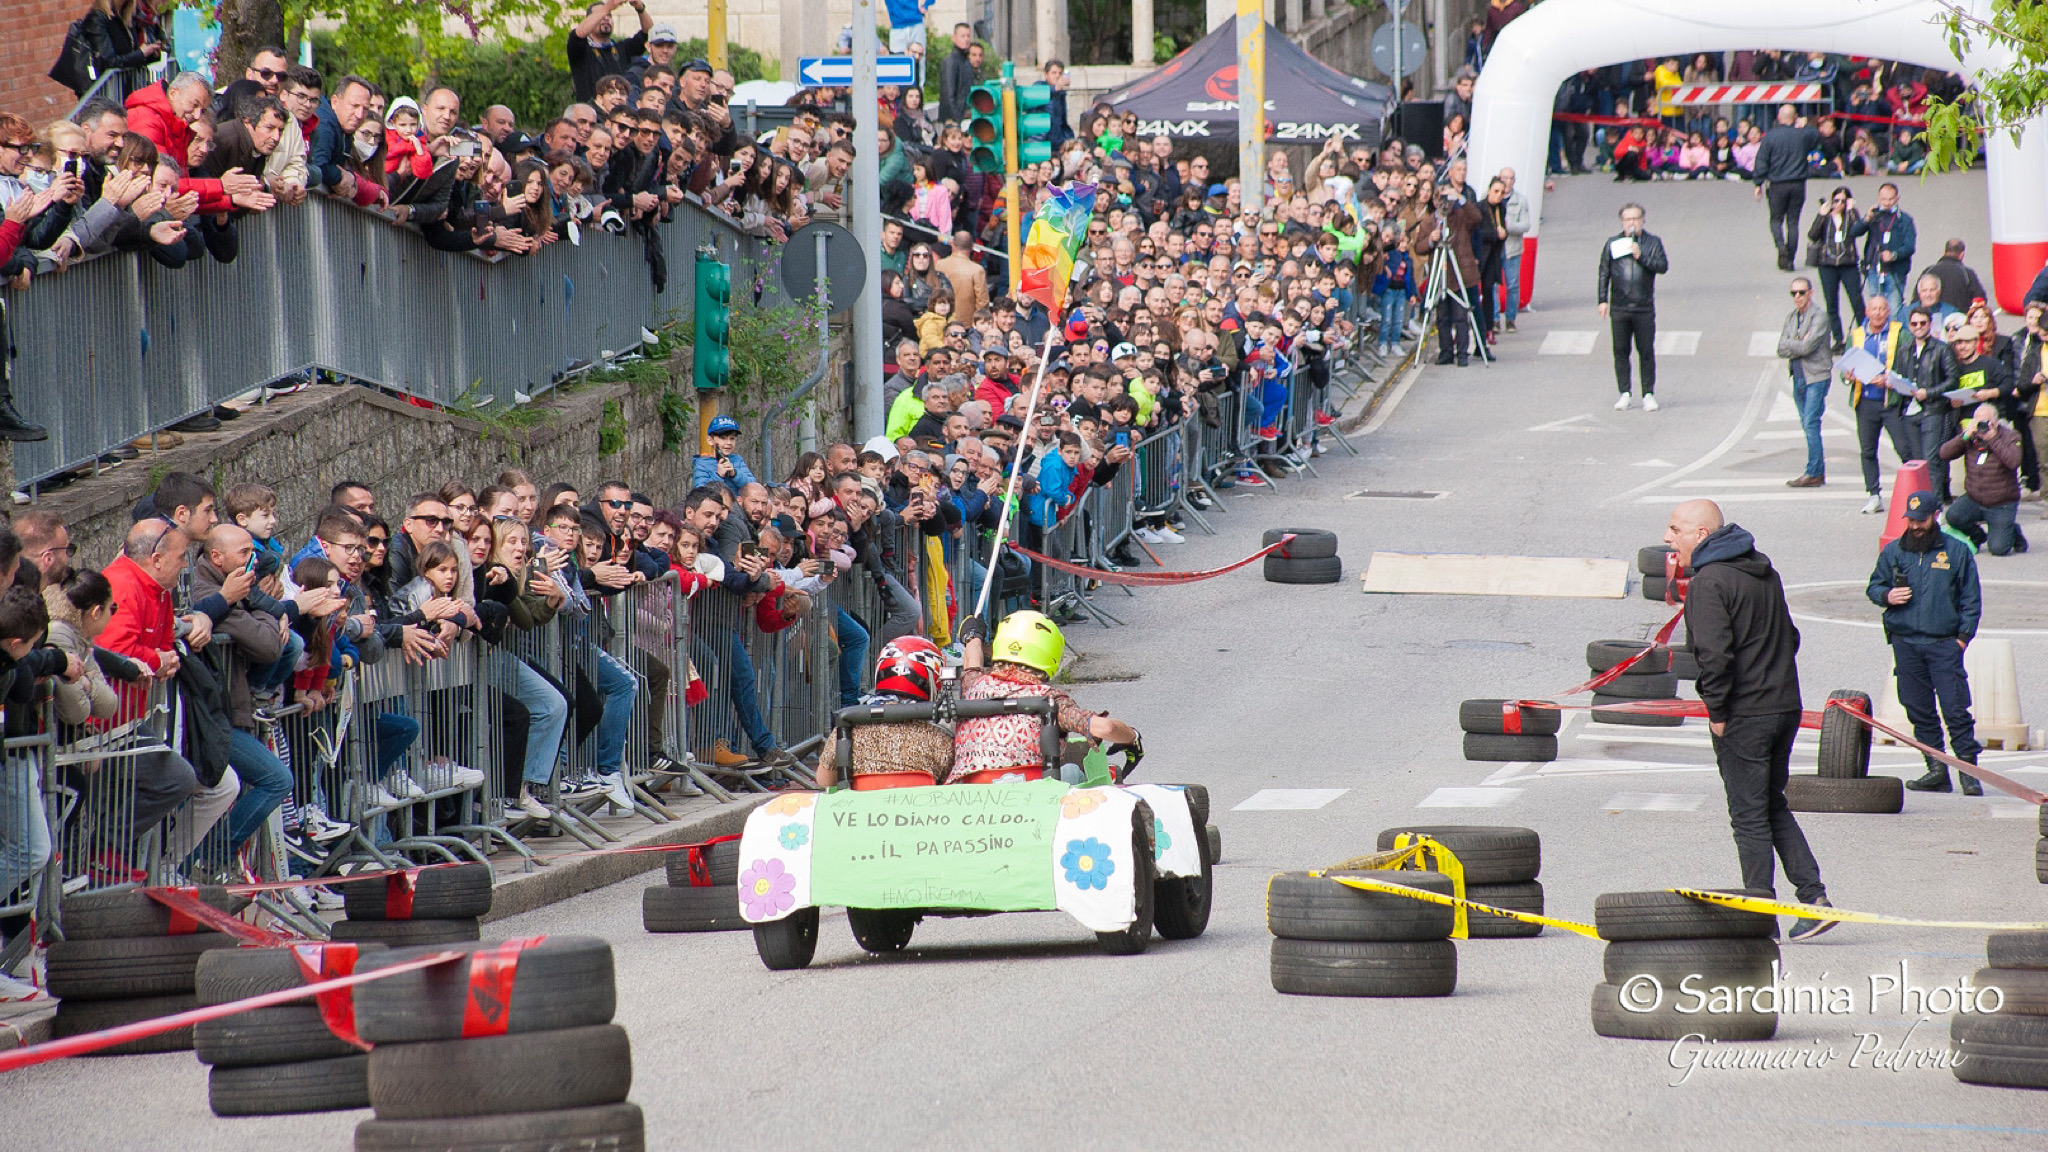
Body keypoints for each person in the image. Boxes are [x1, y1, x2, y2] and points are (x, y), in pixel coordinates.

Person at [1663, 499, 1833, 940]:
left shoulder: (1708, 582)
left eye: (1675, 528)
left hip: (1745, 715)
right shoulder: (1764, 571)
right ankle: (1814, 899)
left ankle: (1759, 916)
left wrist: (1717, 711)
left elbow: (1714, 656)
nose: (1668, 537)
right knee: (1771, 803)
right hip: (1785, 707)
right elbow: (1790, 637)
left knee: (1748, 814)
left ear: (1702, 534)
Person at [1867, 490, 1983, 795]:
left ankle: (1969, 772)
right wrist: (1885, 595)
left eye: (1921, 520)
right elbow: (1874, 584)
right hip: (1905, 642)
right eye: (1911, 520)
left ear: (1935, 517)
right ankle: (1935, 770)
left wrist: (1962, 638)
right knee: (1918, 709)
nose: (1916, 526)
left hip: (1944, 643)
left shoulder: (1957, 552)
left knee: (1955, 709)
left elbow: (1971, 599)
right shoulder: (1893, 551)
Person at [950, 612, 1141, 785]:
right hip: (1031, 796)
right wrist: (1132, 737)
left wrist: (973, 636)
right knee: (1074, 772)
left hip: (972, 795)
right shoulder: (1051, 700)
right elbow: (1105, 728)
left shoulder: (973, 686)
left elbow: (971, 664)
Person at [815, 637, 953, 788]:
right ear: (932, 679)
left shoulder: (847, 730)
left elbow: (824, 781)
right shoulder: (940, 739)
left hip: (861, 811)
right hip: (916, 810)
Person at [1839, 294, 1911, 513]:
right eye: (1874, 309)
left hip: (1891, 402)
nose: (1878, 313)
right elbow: (1845, 368)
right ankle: (1874, 494)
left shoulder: (1900, 334)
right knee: (1868, 450)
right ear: (1867, 312)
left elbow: (1908, 364)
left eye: (1882, 309)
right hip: (1866, 401)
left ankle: (1915, 491)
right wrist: (1848, 377)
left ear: (1888, 312)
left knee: (1904, 448)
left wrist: (1889, 379)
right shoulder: (1857, 336)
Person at [1597, 203, 1669, 411]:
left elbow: (1662, 266)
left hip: (1643, 307)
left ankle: (1648, 393)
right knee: (1620, 350)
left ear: (1642, 221)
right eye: (1628, 220)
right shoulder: (1613, 243)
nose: (1632, 223)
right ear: (1622, 222)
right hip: (1620, 307)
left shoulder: (1652, 242)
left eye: (1635, 219)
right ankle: (1625, 392)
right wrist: (1602, 299)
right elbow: (1604, 271)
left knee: (1645, 350)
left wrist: (1642, 256)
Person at [1941, 404, 2027, 556]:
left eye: (1985, 422)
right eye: (1978, 422)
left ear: (1995, 422)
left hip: (2001, 503)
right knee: (1953, 516)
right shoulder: (1971, 436)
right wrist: (1965, 436)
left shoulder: (2011, 436)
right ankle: (1977, 535)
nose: (1981, 427)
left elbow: (2014, 461)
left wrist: (1992, 439)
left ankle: (2013, 530)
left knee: (1998, 549)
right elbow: (1944, 454)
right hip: (1974, 498)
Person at [1750, 105, 1820, 271]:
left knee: (1776, 219)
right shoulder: (1802, 135)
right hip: (1797, 183)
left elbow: (1761, 160)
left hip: (1777, 184)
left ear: (1779, 118)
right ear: (1794, 117)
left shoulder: (1770, 137)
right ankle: (1790, 259)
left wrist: (1758, 182)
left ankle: (1780, 246)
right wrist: (1806, 125)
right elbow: (1816, 136)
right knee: (1793, 222)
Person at [1778, 278, 1832, 486]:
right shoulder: (1791, 317)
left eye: (1801, 292)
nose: (1797, 297)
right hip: (1798, 375)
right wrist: (1797, 343)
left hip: (1816, 376)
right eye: (1794, 293)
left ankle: (1814, 472)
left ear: (1810, 293)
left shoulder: (1819, 317)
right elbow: (1780, 347)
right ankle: (1816, 469)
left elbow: (1807, 347)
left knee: (1811, 422)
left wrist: (1794, 344)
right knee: (1806, 423)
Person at [1804, 185, 1865, 351]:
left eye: (1843, 201)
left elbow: (1858, 230)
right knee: (1831, 304)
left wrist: (1852, 211)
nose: (1839, 204)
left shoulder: (1849, 216)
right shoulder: (1826, 217)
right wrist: (1820, 215)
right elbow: (1812, 235)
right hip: (1827, 265)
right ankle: (1838, 339)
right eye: (1836, 200)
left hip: (1848, 264)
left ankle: (1865, 335)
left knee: (1857, 301)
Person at [567, 0, 654, 104]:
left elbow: (649, 32)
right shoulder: (580, 50)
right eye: (600, 15)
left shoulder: (623, 48)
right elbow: (578, 34)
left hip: (620, 112)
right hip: (592, 114)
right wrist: (608, 7)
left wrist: (640, 8)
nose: (605, 18)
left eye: (609, 15)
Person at [1862, 182, 1917, 319]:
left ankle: (1893, 338)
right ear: (1878, 198)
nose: (1887, 203)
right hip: (1874, 269)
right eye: (1883, 199)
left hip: (1895, 271)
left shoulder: (1905, 220)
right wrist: (1866, 219)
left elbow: (1910, 246)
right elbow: (1855, 231)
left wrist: (1894, 255)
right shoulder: (1873, 216)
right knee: (1876, 309)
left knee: (1894, 310)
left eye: (1890, 199)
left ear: (1897, 198)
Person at [692, 415, 758, 494]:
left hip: (736, 505)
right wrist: (718, 475)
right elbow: (700, 493)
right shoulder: (702, 463)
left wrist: (734, 474)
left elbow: (753, 486)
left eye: (732, 438)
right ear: (710, 440)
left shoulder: (737, 460)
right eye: (723, 438)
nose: (729, 443)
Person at [1922, 238, 1987, 313]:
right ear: (1961, 254)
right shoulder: (1967, 273)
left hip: (1929, 318)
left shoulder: (1928, 271)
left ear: (1944, 252)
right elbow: (1979, 299)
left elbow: (1915, 299)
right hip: (1959, 319)